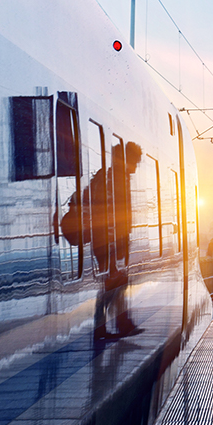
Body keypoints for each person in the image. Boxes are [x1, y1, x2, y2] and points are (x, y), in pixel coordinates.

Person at [89, 141, 142, 338]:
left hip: (112, 239)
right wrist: (117, 242)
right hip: (108, 240)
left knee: (114, 281)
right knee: (115, 281)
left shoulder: (114, 177)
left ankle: (114, 324)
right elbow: (110, 212)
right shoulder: (112, 178)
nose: (136, 167)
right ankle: (107, 325)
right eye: (134, 162)